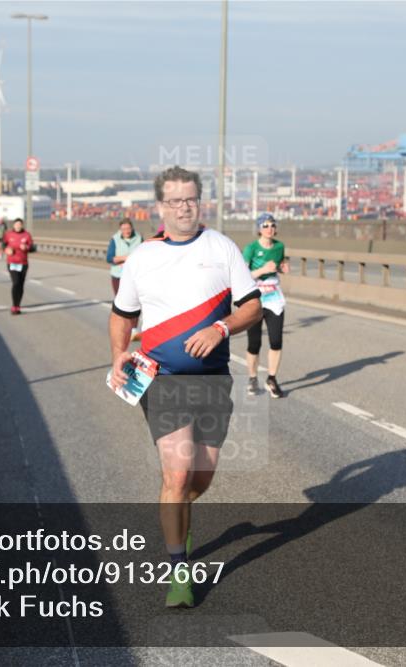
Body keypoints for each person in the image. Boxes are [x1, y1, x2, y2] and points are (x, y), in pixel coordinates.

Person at [109, 166, 261, 608]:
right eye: (174, 201)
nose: (183, 207)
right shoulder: (143, 257)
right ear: (160, 206)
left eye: (190, 199)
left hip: (213, 380)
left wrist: (221, 327)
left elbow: (253, 308)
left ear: (200, 201)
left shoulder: (222, 248)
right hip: (163, 380)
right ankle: (179, 571)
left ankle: (183, 517)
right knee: (175, 475)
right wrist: (118, 351)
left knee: (201, 477)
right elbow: (122, 314)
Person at [242, 213, 289, 398]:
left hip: (274, 297)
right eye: (265, 225)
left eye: (272, 225)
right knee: (254, 343)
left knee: (276, 341)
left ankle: (271, 378)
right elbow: (243, 275)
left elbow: (281, 263)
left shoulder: (279, 246)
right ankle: (252, 378)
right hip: (255, 298)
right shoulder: (251, 248)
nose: (269, 229)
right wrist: (262, 270)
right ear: (259, 229)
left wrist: (282, 268)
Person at [3, 217, 35, 315]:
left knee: (20, 285)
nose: (18, 226)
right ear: (13, 225)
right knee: (15, 282)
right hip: (12, 262)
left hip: (23, 263)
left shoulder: (26, 235)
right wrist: (7, 250)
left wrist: (26, 247)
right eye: (16, 224)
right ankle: (14, 305)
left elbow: (33, 248)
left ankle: (18, 305)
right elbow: (4, 245)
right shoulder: (8, 234)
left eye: (20, 224)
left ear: (22, 225)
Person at [105, 218, 143, 295]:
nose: (126, 231)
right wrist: (125, 258)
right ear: (120, 230)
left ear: (132, 228)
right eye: (123, 229)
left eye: (128, 228)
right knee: (120, 301)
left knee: (134, 302)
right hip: (118, 275)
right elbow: (109, 258)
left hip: (134, 276)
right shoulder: (115, 239)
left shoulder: (139, 238)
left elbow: (143, 256)